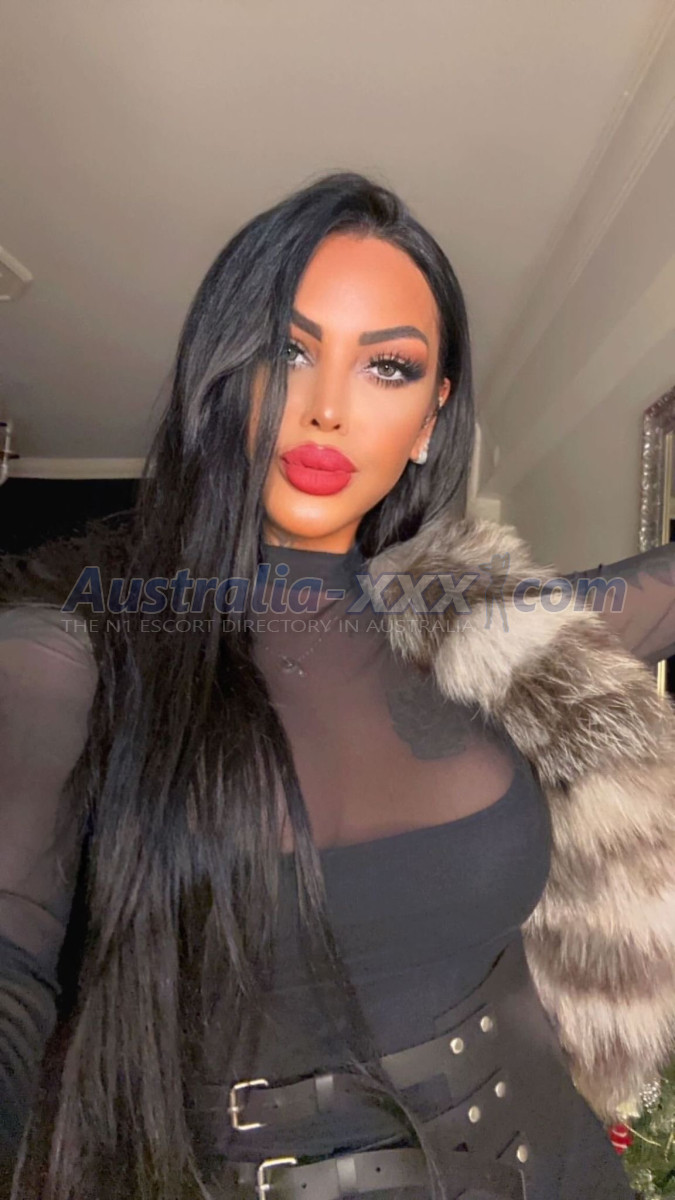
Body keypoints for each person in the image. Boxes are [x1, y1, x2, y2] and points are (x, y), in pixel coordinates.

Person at [1, 171, 675, 1200]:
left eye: (387, 367)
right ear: (221, 377)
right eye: (289, 351)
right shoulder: (71, 645)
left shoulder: (484, 631)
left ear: (431, 419)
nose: (325, 410)